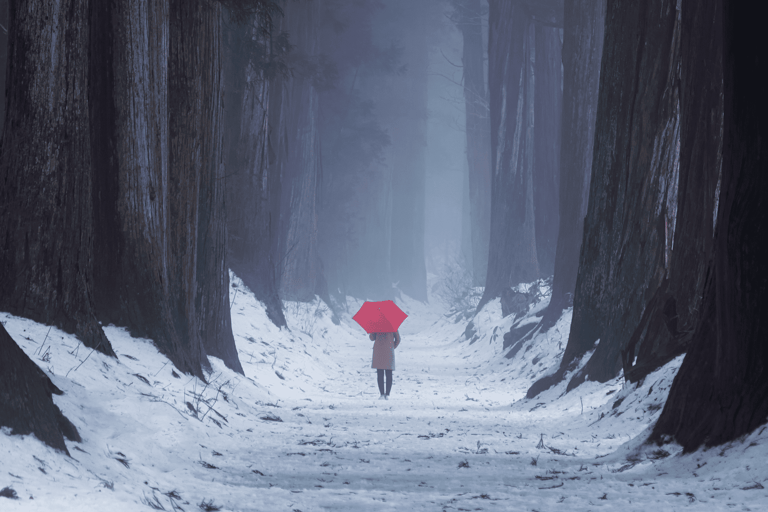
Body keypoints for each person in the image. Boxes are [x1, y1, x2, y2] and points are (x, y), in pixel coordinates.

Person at [370, 330, 400, 399]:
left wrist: (372, 331)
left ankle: (382, 394)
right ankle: (388, 394)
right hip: (389, 351)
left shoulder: (376, 325)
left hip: (378, 352)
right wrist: (392, 347)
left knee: (380, 373)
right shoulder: (393, 326)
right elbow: (398, 339)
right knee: (389, 373)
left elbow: (372, 338)